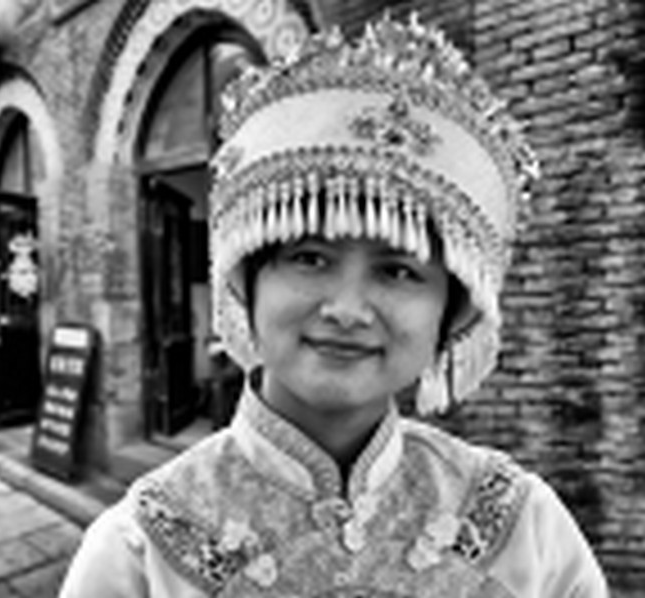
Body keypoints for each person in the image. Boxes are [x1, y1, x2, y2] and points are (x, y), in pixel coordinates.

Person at [59, 14, 608, 598]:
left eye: (398, 271)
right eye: (310, 258)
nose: (347, 310)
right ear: (247, 281)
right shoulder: (138, 552)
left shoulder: (524, 526)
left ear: (450, 311)